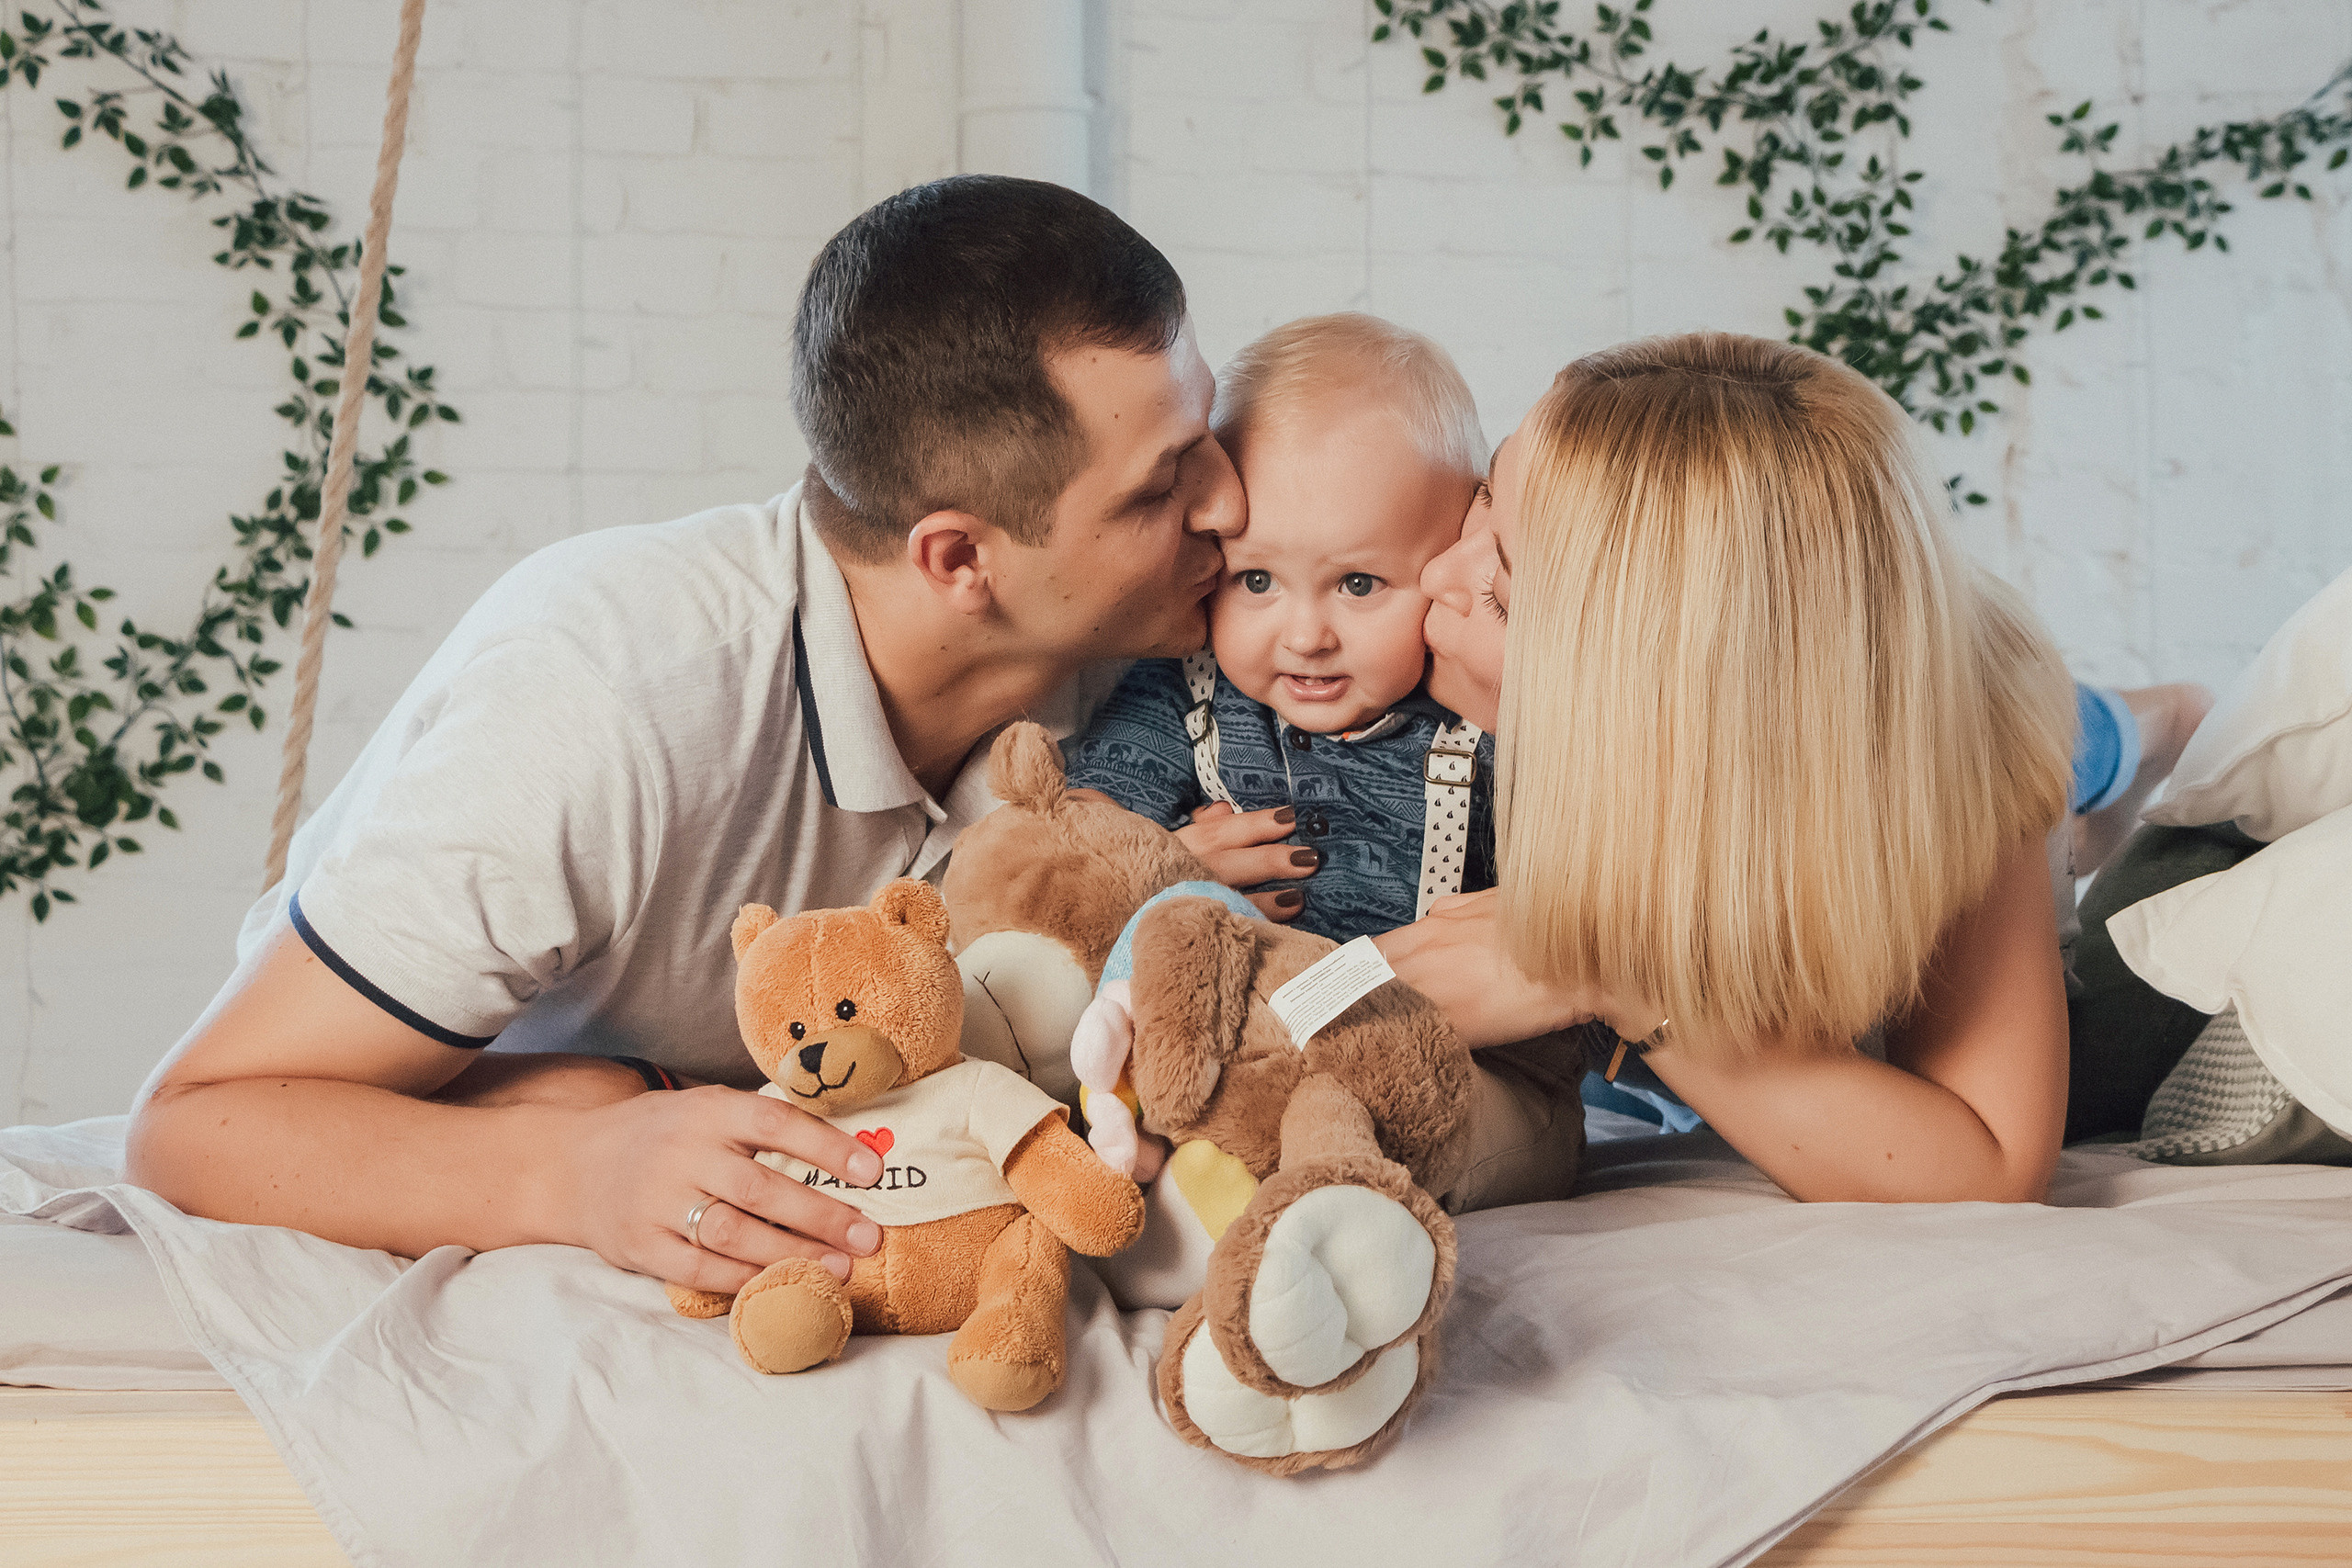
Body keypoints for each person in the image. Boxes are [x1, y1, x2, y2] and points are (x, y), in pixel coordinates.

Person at [122, 175, 1246, 1301]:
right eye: (1160, 488)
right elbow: (194, 1125)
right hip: (489, 1155)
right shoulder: (606, 698)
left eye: (1206, 435)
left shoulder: (1181, 640)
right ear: (958, 561)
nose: (1229, 503)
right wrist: (573, 1169)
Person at [1386, 332, 2082, 1204]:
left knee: (2106, 762)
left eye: (1501, 594)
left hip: (1916, 752)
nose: (1436, 573)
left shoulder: (1975, 722)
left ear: (1656, 691)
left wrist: (1603, 974)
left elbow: (1993, 1166)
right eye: (1487, 493)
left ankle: (2160, 725)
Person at [1064, 312, 1495, 941]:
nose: (1305, 638)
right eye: (1257, 581)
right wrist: (1145, 869)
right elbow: (1079, 830)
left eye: (1358, 583)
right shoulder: (1189, 688)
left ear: (1451, 558)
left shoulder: (1482, 721)